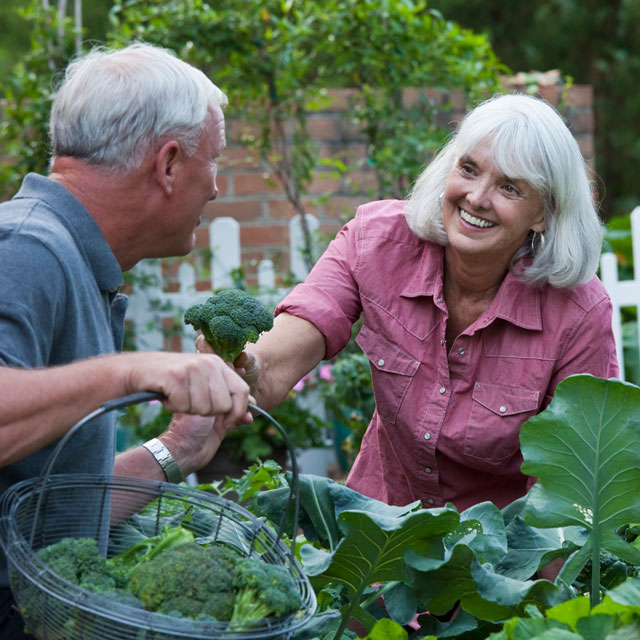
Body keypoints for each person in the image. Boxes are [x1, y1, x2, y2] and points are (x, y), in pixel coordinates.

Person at [209, 93, 618, 514]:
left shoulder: (578, 314)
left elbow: (566, 491)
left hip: (502, 558)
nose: (476, 197)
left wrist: (533, 580)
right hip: (378, 535)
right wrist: (249, 366)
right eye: (469, 169)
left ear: (544, 214)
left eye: (509, 187)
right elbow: (297, 337)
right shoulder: (376, 241)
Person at [0, 42, 246, 637]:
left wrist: (178, 449)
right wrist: (133, 370)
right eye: (212, 161)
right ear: (167, 165)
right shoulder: (26, 249)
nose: (215, 188)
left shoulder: (70, 258)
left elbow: (55, 520)